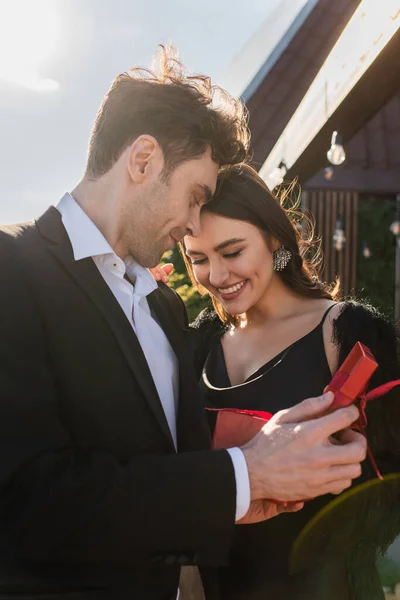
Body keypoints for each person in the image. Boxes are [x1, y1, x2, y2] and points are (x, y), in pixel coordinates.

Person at [0, 47, 367, 600]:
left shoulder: (163, 308)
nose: (195, 222)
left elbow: (161, 477)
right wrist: (245, 476)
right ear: (143, 159)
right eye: (195, 196)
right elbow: (23, 498)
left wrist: (251, 488)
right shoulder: (12, 268)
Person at [181, 163, 400, 599]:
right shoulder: (198, 343)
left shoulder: (346, 332)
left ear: (274, 238)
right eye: (199, 259)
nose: (217, 276)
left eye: (232, 251)